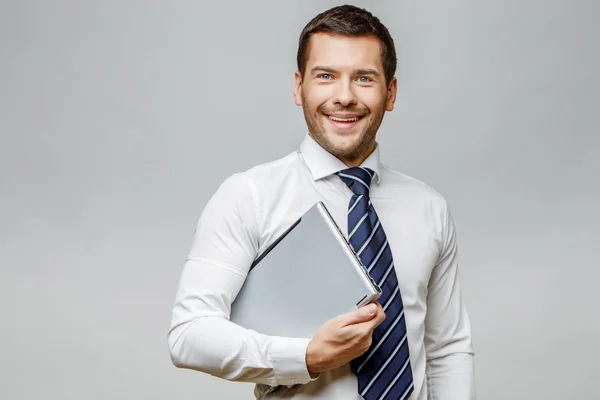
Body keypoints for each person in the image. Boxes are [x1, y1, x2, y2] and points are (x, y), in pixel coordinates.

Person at [168, 5, 475, 399]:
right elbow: (189, 334)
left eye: (364, 78)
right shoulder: (251, 196)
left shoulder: (430, 208)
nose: (344, 97)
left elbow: (447, 348)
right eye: (326, 76)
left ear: (391, 92)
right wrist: (306, 356)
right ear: (299, 88)